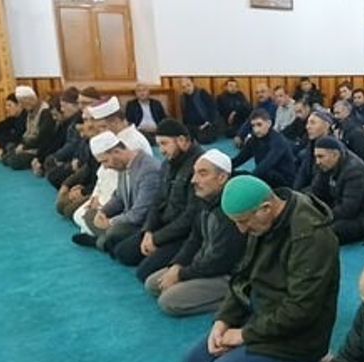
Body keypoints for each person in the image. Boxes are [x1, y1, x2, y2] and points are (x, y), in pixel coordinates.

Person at [182, 175, 339, 362]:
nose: (241, 230)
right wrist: (224, 320)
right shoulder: (265, 222)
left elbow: (301, 311)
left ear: (265, 208)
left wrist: (244, 335)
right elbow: (243, 275)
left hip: (297, 339)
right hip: (264, 316)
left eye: (243, 221)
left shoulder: (311, 238)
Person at [144, 149, 246, 316]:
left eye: (202, 174)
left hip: (227, 274)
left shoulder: (230, 210)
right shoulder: (205, 200)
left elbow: (220, 261)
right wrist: (177, 265)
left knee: (168, 301)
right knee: (152, 284)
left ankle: (236, 299)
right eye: (194, 173)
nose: (193, 180)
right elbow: (194, 239)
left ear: (222, 178)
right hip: (203, 265)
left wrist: (181, 274)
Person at [113, 119, 204, 281]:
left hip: (185, 234)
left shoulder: (200, 167)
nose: (161, 150)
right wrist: (149, 231)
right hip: (165, 225)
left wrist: (157, 238)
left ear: (182, 140)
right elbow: (157, 201)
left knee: (144, 273)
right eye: (159, 145)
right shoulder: (168, 164)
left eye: (164, 144)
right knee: (122, 252)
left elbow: (190, 216)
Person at [71, 96, 154, 237]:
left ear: (115, 121)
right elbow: (103, 175)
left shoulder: (132, 143)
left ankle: (105, 238)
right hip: (113, 199)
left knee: (86, 218)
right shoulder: (111, 140)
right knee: (79, 215)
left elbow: (121, 187)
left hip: (131, 205)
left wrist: (103, 206)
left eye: (103, 127)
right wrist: (96, 198)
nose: (100, 131)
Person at [74, 131, 163, 254]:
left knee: (117, 237)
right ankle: (106, 240)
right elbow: (119, 196)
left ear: (116, 152)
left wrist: (110, 222)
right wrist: (103, 212)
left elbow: (139, 214)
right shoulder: (124, 165)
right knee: (90, 215)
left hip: (145, 224)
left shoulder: (149, 170)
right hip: (129, 217)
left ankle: (101, 241)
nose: (105, 167)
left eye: (105, 161)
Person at [311, 136, 364, 245]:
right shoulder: (326, 164)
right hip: (345, 208)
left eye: (320, 157)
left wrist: (321, 217)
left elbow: (348, 209)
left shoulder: (355, 171)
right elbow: (316, 191)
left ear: (335, 154)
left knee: (323, 232)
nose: (317, 161)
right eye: (316, 157)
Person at [231, 109, 297, 188]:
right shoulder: (254, 140)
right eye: (253, 126)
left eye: (259, 125)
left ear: (269, 123)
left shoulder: (278, 141)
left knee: (264, 173)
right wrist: (225, 168)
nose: (256, 129)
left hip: (283, 181)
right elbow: (239, 159)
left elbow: (266, 165)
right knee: (234, 174)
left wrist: (249, 180)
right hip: (264, 174)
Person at [1, 85, 56, 170]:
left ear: (31, 99)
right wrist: (21, 144)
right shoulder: (30, 110)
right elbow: (27, 132)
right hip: (28, 145)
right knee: (6, 156)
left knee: (13, 161)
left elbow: (42, 137)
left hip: (37, 148)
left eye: (23, 103)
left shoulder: (45, 112)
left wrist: (24, 146)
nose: (23, 106)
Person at [40, 88, 84, 186]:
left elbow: (73, 145)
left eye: (64, 106)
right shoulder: (72, 121)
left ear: (75, 105)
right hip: (72, 158)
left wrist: (57, 157)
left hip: (77, 160)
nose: (62, 110)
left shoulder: (78, 121)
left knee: (53, 174)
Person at [294, 110, 335, 190]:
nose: (308, 127)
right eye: (307, 123)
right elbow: (303, 174)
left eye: (313, 123)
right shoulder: (311, 145)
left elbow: (321, 182)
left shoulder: (333, 149)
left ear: (326, 125)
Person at [180, 77, 219, 144]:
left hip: (206, 124)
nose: (187, 88)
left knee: (203, 138)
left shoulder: (202, 93)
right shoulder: (183, 98)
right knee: (184, 138)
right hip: (193, 126)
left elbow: (213, 109)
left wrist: (208, 122)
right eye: (184, 87)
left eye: (188, 85)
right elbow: (185, 117)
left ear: (193, 83)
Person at [0, 93, 26, 159]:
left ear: (19, 105)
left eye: (9, 105)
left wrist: (2, 148)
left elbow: (18, 138)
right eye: (6, 106)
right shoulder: (12, 119)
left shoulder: (27, 118)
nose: (7, 108)